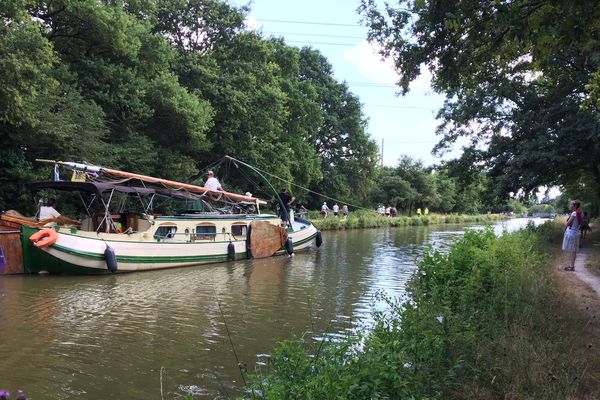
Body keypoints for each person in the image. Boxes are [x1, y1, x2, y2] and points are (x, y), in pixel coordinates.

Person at [562, 200, 582, 271]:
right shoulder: (579, 212)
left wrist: (565, 221)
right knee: (573, 250)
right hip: (575, 233)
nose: (570, 206)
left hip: (571, 233)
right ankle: (571, 265)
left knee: (572, 250)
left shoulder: (574, 213)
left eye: (571, 205)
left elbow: (567, 224)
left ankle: (571, 266)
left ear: (575, 206)